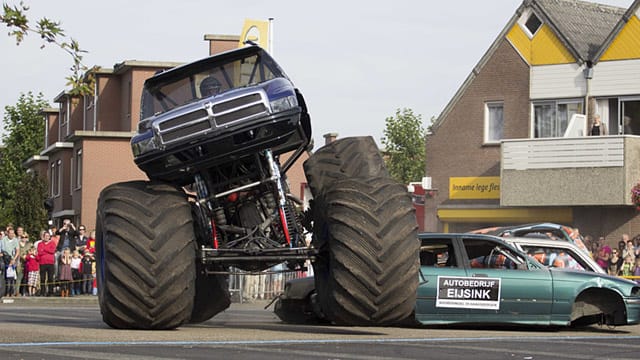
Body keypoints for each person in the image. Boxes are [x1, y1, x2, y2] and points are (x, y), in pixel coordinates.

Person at [36, 231, 56, 296]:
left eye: (48, 236)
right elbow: (39, 252)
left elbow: (52, 251)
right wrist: (47, 250)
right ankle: (42, 292)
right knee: (42, 278)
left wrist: (44, 249)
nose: (47, 237)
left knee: (50, 278)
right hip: (42, 263)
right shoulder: (40, 244)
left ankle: (51, 292)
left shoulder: (52, 243)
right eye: (45, 236)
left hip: (50, 263)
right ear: (43, 237)